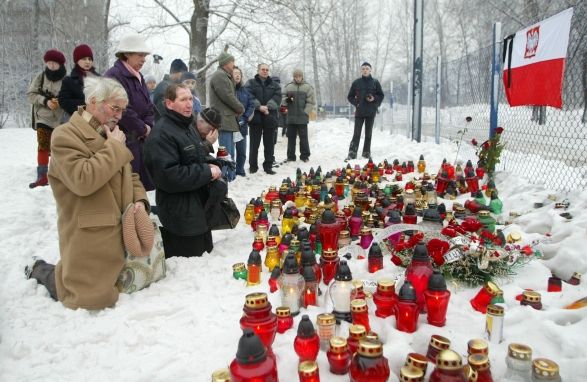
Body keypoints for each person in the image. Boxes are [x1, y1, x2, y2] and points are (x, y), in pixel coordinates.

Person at [24, 76, 149, 310]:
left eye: (123, 110)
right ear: (93, 101)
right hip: (91, 236)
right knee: (88, 299)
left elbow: (130, 176)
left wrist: (140, 200)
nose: (119, 116)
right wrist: (115, 147)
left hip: (121, 232)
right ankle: (41, 270)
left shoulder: (112, 133)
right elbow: (83, 179)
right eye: (115, 108)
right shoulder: (65, 135)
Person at [144, 85, 223, 258]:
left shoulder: (186, 126)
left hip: (197, 209)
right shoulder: (162, 134)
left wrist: (212, 165)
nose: (189, 104)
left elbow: (194, 157)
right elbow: (170, 176)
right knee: (190, 267)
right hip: (180, 215)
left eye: (190, 99)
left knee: (206, 257)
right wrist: (206, 172)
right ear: (169, 104)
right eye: (183, 100)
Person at [104, 33, 155, 191]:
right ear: (126, 54)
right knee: (125, 186)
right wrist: (142, 128)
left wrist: (147, 125)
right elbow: (122, 109)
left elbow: (148, 106)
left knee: (137, 186)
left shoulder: (139, 76)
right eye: (140, 55)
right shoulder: (113, 76)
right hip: (123, 139)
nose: (144, 59)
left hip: (139, 141)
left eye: (145, 56)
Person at [26, 49, 67, 188]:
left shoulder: (67, 80)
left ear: (60, 64)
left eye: (54, 62)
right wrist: (45, 100)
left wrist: (61, 101)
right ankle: (42, 176)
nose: (51, 65)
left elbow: (72, 98)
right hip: (43, 117)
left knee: (59, 147)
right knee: (42, 145)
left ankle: (59, 174)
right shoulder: (41, 77)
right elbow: (30, 95)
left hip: (60, 119)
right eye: (49, 62)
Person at [209, 52, 245, 182]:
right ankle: (223, 178)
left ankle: (229, 176)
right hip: (223, 119)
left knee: (229, 152)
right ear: (225, 63)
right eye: (231, 62)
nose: (233, 64)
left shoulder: (225, 76)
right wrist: (239, 108)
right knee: (225, 153)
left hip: (228, 119)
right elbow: (227, 96)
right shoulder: (220, 76)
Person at [245, 63, 281, 175]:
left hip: (270, 117)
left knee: (269, 144)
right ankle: (253, 166)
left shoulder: (275, 85)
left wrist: (267, 107)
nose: (265, 71)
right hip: (256, 118)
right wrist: (259, 107)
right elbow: (248, 95)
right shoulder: (251, 83)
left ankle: (268, 166)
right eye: (263, 69)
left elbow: (278, 97)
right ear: (258, 70)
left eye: (267, 69)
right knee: (254, 144)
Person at [346, 62, 384, 160]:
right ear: (361, 70)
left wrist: (374, 99)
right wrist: (356, 103)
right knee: (356, 134)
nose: (365, 70)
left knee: (368, 134)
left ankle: (366, 153)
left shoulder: (375, 82)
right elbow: (350, 96)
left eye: (367, 68)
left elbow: (381, 95)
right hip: (359, 112)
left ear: (370, 70)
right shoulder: (356, 82)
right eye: (363, 68)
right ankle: (352, 154)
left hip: (371, 112)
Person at [281, 68, 316, 163]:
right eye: (296, 76)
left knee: (303, 138)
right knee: (291, 138)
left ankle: (304, 156)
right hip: (291, 117)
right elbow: (282, 99)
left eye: (299, 76)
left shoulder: (308, 87)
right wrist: (287, 100)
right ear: (293, 77)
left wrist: (305, 112)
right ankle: (291, 157)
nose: (297, 78)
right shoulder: (288, 87)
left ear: (302, 76)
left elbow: (311, 102)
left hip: (302, 117)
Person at [58, 44, 100, 117]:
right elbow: (63, 101)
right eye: (84, 59)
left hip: (98, 119)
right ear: (77, 61)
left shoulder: (100, 79)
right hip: (77, 120)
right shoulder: (69, 81)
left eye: (90, 59)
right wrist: (86, 104)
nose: (87, 62)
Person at [233, 66, 255, 177]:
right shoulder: (228, 89)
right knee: (229, 151)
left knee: (241, 151)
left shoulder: (245, 91)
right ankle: (230, 171)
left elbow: (252, 104)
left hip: (242, 125)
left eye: (239, 73)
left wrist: (245, 117)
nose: (237, 75)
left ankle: (240, 170)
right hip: (230, 124)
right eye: (235, 73)